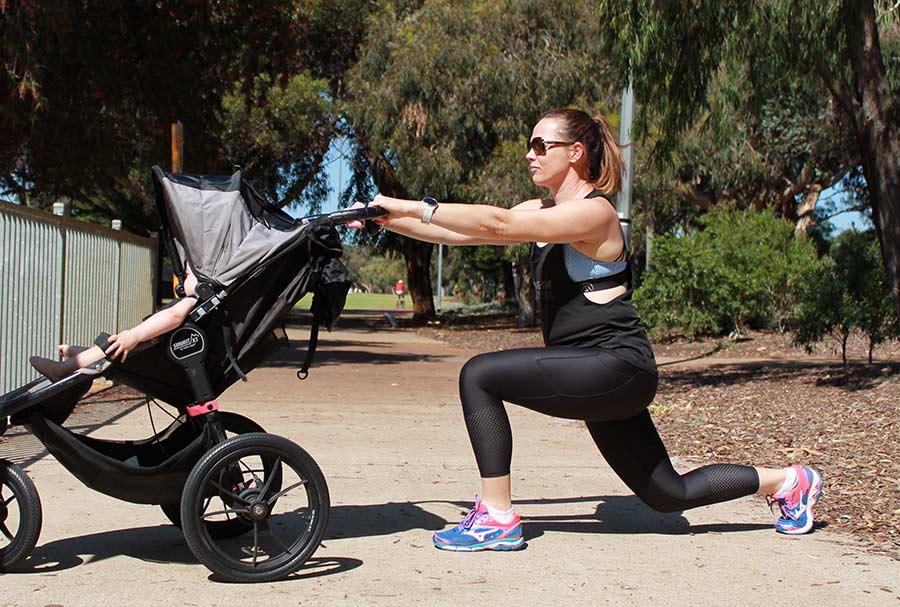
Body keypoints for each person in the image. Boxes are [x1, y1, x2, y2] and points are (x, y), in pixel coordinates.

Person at [351, 108, 823, 552]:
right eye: (529, 145)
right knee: (667, 493)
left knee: (479, 375)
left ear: (575, 152)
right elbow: (462, 232)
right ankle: (789, 482)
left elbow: (497, 224)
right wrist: (392, 222)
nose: (529, 154)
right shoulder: (540, 210)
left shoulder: (596, 214)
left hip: (617, 364)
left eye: (540, 145)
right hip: (594, 370)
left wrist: (407, 202)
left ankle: (496, 516)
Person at [31, 263, 199, 382]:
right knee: (117, 345)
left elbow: (175, 316)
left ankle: (61, 370)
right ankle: (87, 355)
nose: (183, 280)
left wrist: (134, 335)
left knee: (117, 345)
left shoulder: (193, 300)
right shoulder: (199, 302)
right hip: (158, 350)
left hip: (161, 358)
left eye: (188, 274)